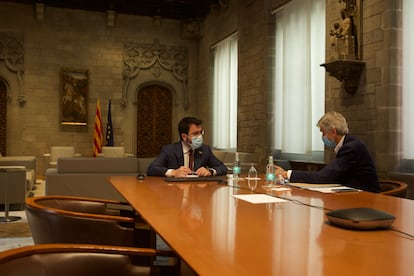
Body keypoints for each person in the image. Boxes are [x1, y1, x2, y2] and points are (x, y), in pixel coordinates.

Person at [275, 112, 381, 193]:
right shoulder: (347, 145)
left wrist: (287, 174)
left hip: (366, 199)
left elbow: (323, 176)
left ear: (333, 132)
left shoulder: (351, 148)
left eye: (323, 132)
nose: (322, 137)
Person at [147, 117, 227, 177]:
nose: (200, 136)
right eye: (195, 134)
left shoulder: (205, 149)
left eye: (200, 133)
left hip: (198, 191)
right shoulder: (169, 150)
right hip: (175, 192)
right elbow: (152, 169)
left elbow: (222, 167)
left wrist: (210, 171)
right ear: (184, 136)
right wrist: (173, 172)